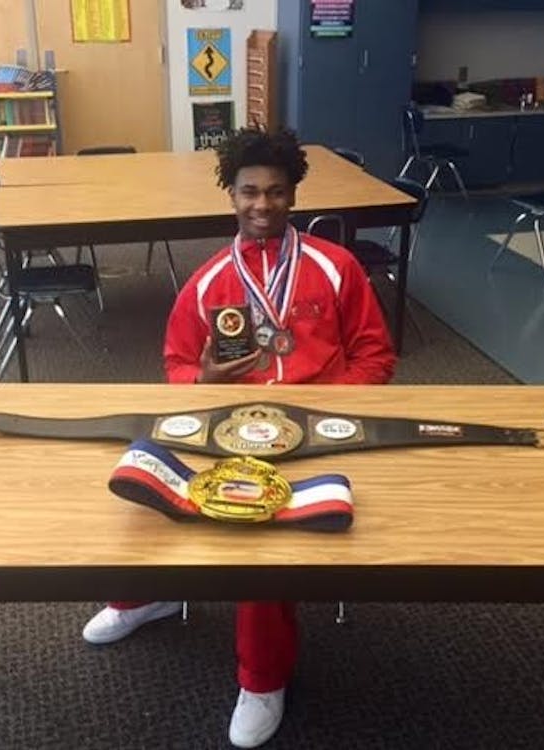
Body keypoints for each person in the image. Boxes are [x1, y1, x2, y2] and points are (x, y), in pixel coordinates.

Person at [82, 127, 396, 748]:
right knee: (144, 482)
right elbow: (174, 366)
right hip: (224, 427)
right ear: (232, 196)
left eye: (276, 192)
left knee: (257, 537)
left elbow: (375, 356)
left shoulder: (337, 269)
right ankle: (148, 596)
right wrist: (200, 378)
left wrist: (328, 416)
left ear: (293, 195)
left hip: (317, 435)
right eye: (250, 191)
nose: (262, 205)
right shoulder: (208, 281)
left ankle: (261, 677)